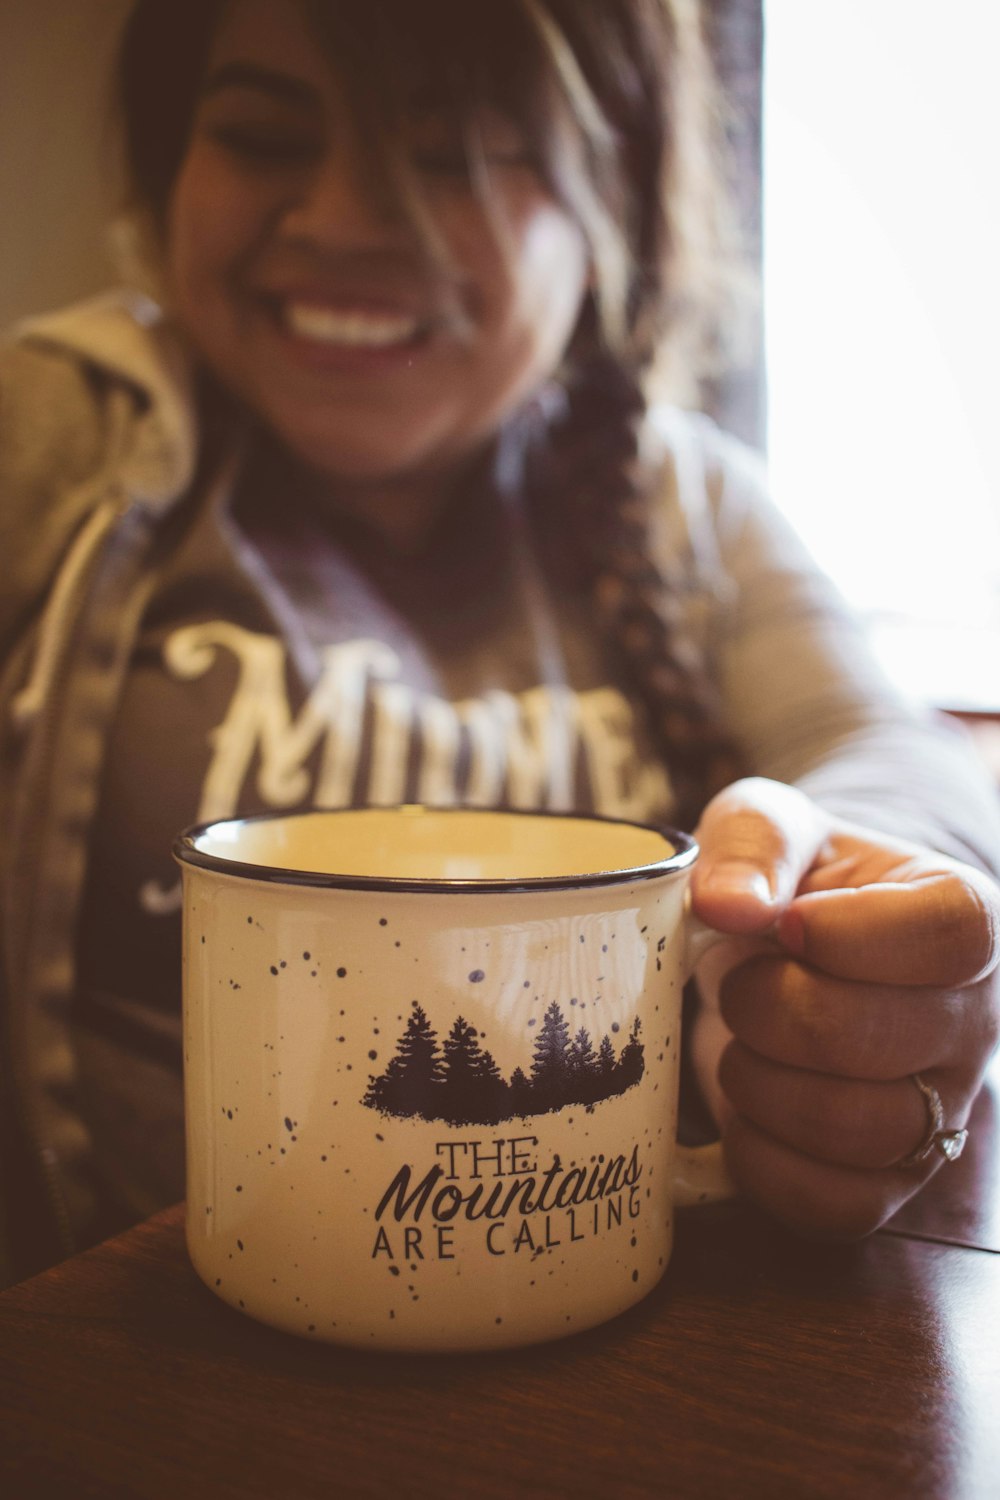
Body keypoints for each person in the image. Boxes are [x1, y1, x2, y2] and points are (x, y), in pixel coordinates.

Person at [2, 0, 998, 1286]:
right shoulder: (59, 434)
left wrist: (853, 936)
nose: (343, 220)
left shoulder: (685, 504)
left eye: (453, 149)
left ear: (612, 206)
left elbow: (878, 752)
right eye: (259, 134)